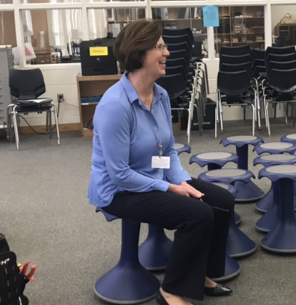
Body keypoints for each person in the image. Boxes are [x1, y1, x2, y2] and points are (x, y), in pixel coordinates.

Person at [88, 19, 235, 305]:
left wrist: (181, 180)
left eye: (164, 45)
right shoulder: (114, 105)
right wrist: (171, 189)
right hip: (119, 191)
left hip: (156, 177)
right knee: (197, 214)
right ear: (139, 53)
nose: (167, 52)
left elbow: (166, 150)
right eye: (159, 46)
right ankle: (171, 291)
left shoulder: (162, 95)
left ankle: (203, 273)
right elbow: (119, 174)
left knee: (221, 202)